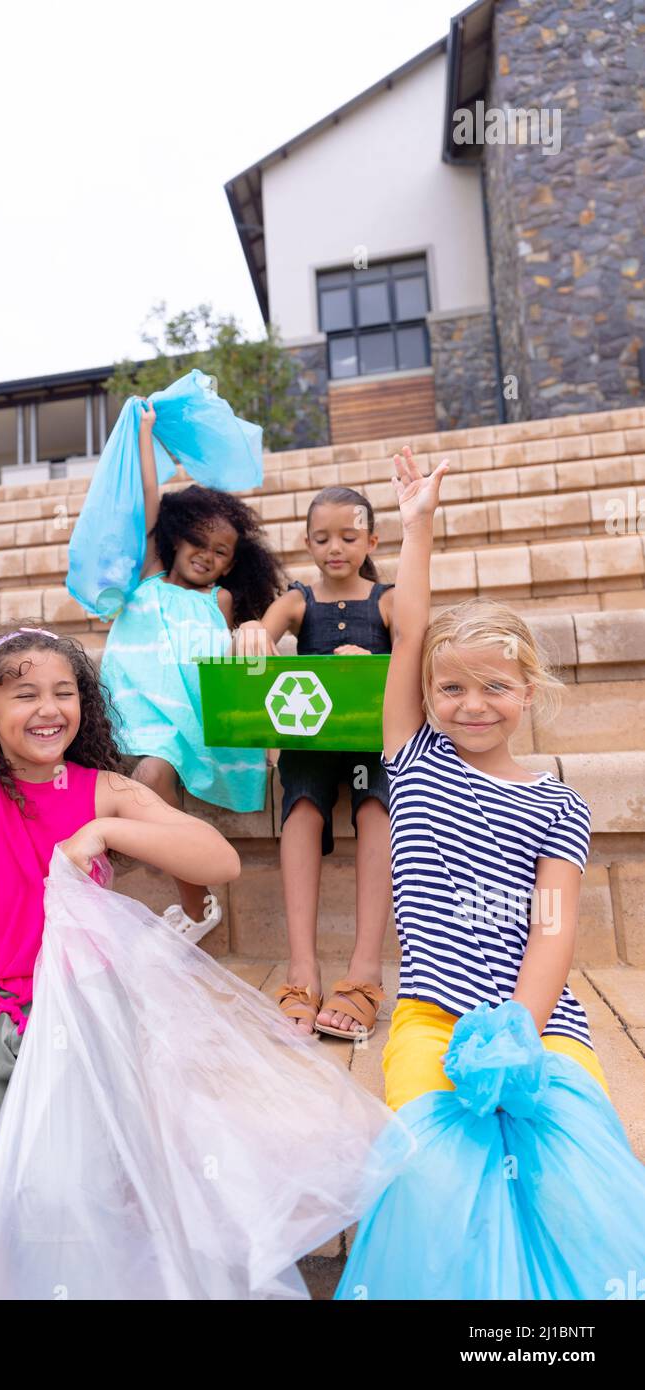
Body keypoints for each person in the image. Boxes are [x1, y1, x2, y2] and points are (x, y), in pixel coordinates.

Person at [0, 473, 243, 1300]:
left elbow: (218, 860)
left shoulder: (101, 789)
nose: (47, 707)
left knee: (89, 1217)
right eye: (23, 692)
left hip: (79, 1018)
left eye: (63, 691)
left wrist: (106, 832)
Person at [334, 445, 645, 1300]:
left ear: (529, 692)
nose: (472, 704)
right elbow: (409, 628)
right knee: (434, 1182)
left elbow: (554, 927)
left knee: (578, 1173)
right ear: (428, 697)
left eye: (495, 687)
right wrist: (419, 525)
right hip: (432, 1018)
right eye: (452, 689)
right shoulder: (413, 757)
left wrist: (520, 1027)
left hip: (539, 1020)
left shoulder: (558, 803)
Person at [99, 397, 284, 944]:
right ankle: (99, 895)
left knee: (152, 776)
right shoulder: (148, 577)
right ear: (174, 539)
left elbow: (235, 658)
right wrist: (144, 437)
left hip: (180, 724)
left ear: (234, 562)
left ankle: (196, 901)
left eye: (221, 550)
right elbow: (147, 505)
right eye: (197, 542)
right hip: (126, 709)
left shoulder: (221, 601)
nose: (206, 555)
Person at [236, 486, 394, 1042]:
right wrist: (255, 631)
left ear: (371, 541)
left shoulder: (387, 600)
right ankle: (302, 968)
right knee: (301, 808)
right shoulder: (299, 600)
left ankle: (366, 968)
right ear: (307, 542)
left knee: (378, 811)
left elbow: (419, 652)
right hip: (309, 738)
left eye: (349, 537)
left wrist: (375, 658)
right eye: (322, 538)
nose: (335, 547)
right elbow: (263, 631)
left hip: (374, 740)